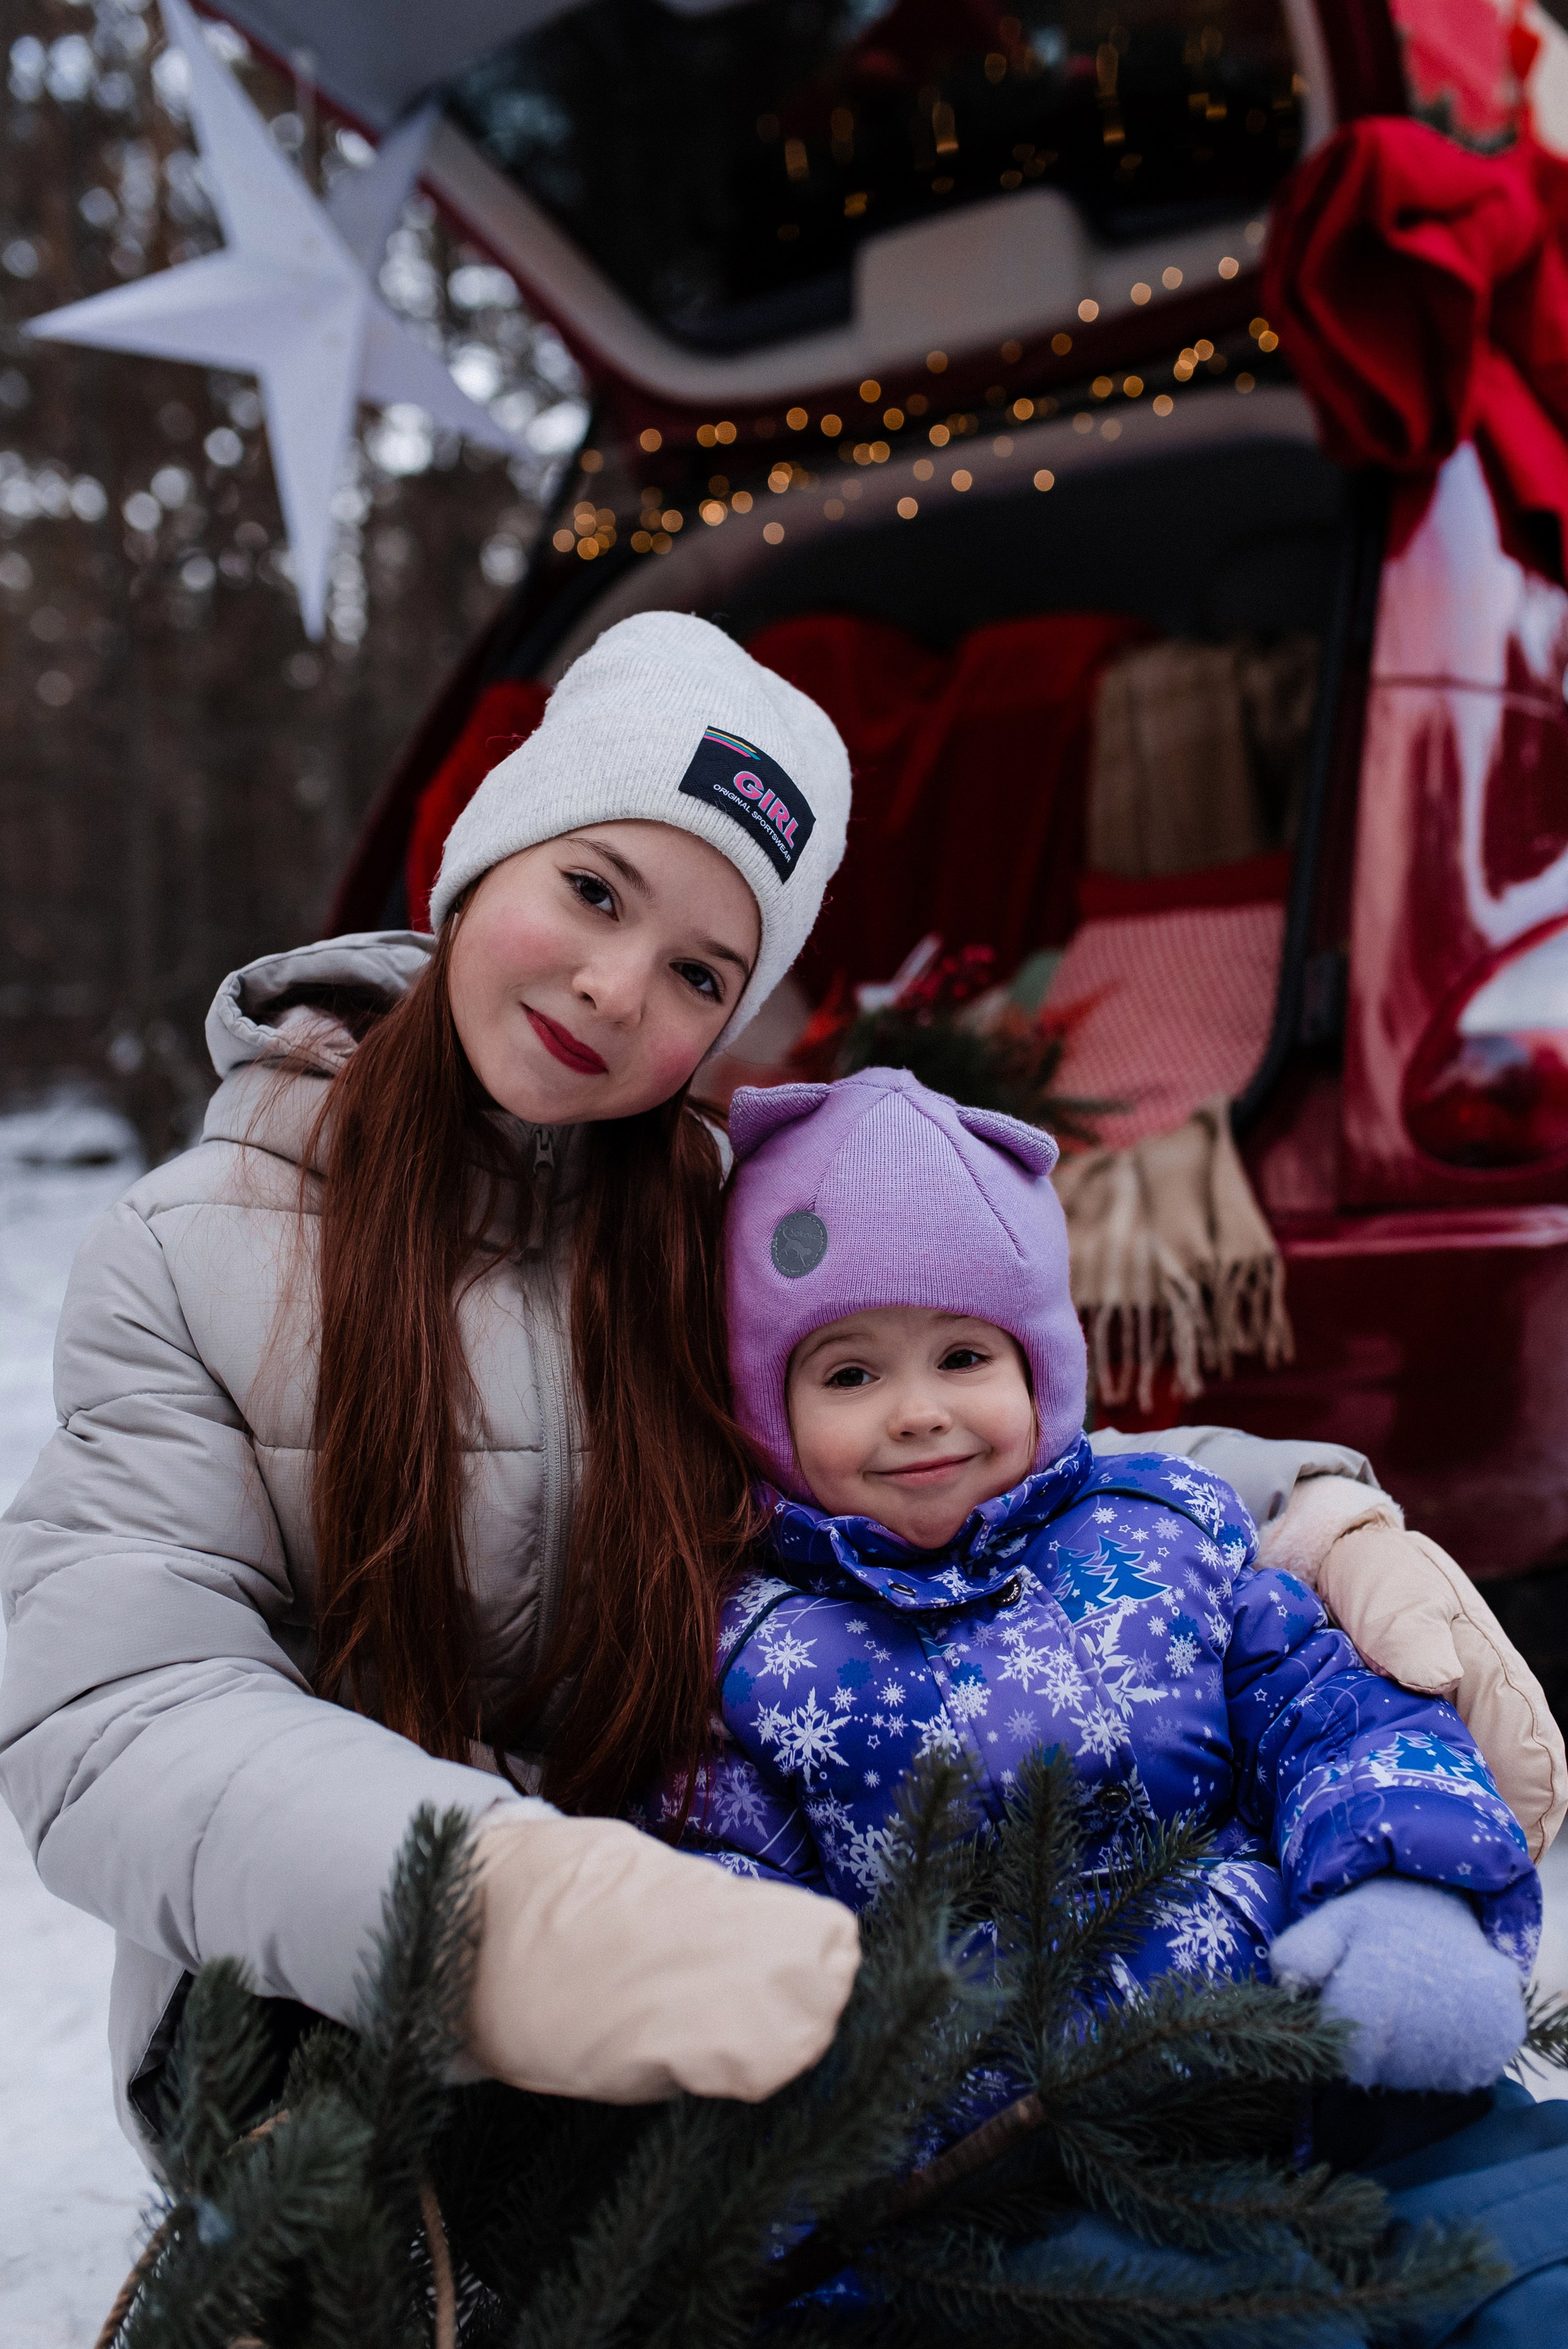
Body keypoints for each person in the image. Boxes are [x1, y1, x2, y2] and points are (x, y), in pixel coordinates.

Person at [0, 613, 1555, 2165]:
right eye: (591, 890)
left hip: (741, 1980)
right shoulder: (192, 1249)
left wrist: (1304, 1508)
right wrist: (500, 1908)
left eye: (696, 971)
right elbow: (117, 1707)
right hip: (333, 2036)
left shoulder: (715, 1227)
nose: (615, 989)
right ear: (482, 861)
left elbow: (948, 1423)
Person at [665, 1067, 1539, 2095]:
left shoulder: (1162, 1536)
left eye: (963, 1357)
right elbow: (726, 1897)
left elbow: (1334, 1719)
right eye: (850, 1375)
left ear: (1043, 1372)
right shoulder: (751, 1651)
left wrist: (1403, 1899)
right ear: (768, 1412)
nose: (916, 1412)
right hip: (965, 2163)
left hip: (1278, 2074)